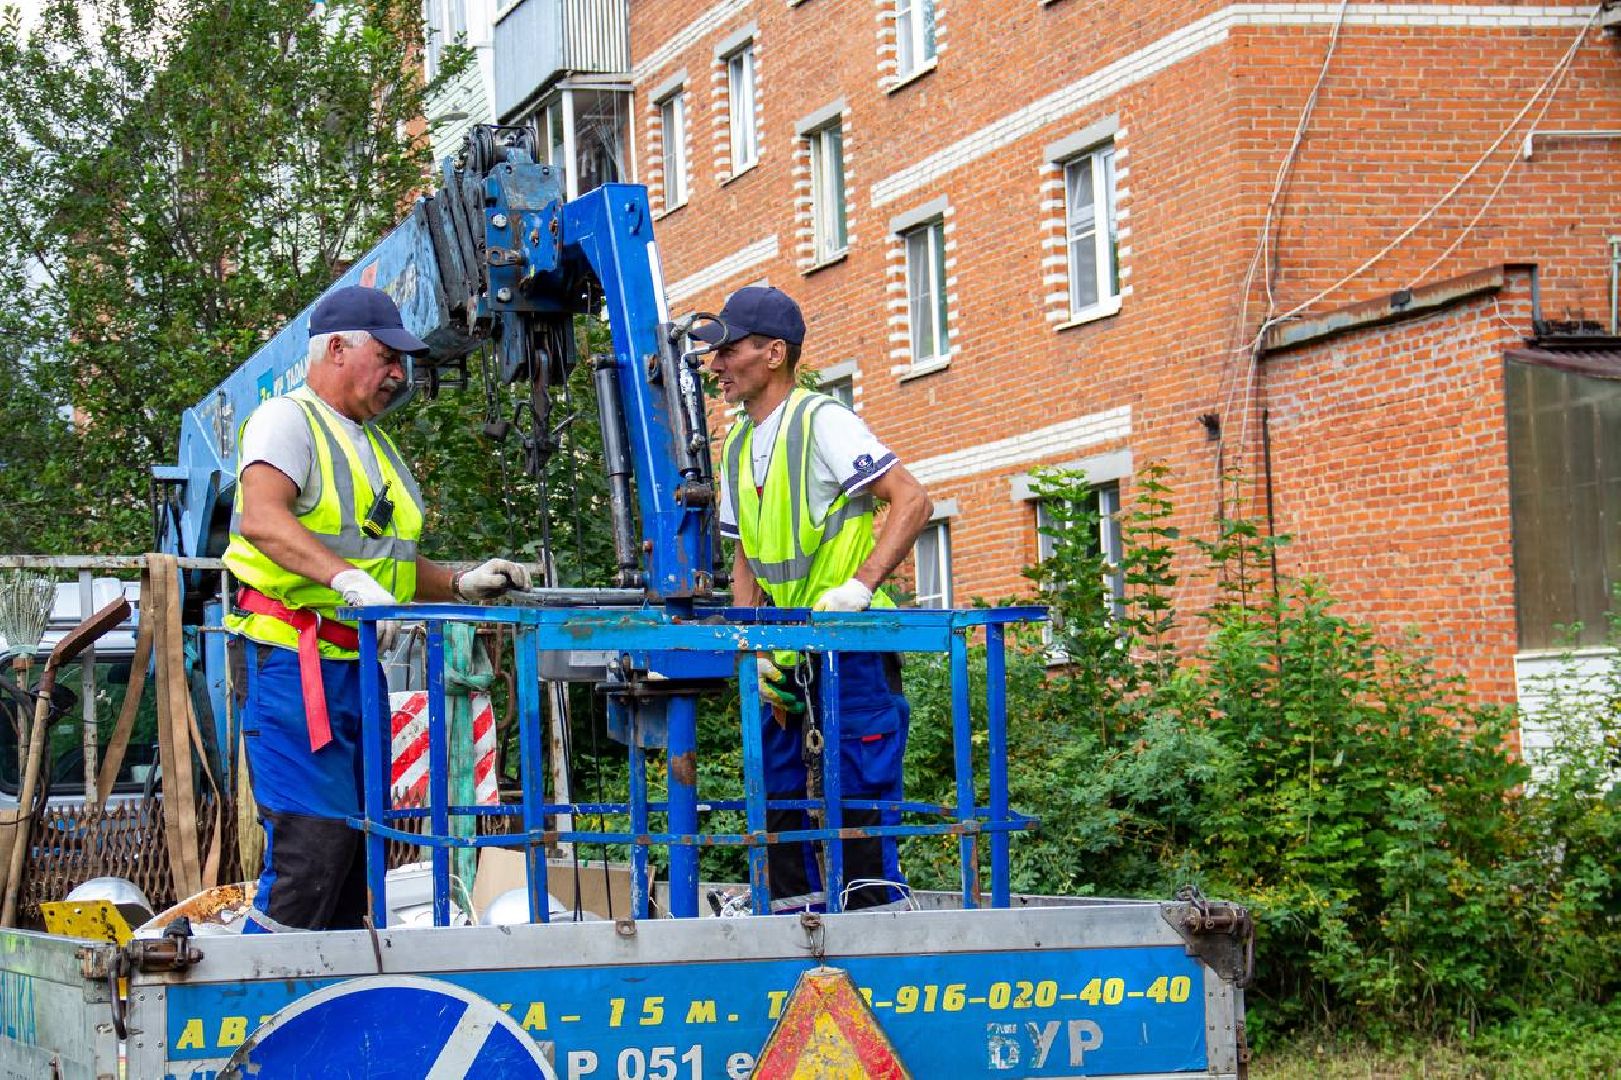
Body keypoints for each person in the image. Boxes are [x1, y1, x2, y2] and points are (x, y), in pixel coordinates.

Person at [223, 285, 531, 931]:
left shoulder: (369, 442)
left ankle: (335, 987)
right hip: (292, 664)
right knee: (312, 848)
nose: (399, 375)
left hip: (353, 667)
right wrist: (349, 582)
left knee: (351, 853)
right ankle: (253, 986)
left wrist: (459, 582)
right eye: (387, 357)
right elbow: (263, 520)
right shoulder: (287, 419)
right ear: (337, 348)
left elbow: (384, 564)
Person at [697, 286, 933, 913]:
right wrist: (749, 644)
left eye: (729, 351)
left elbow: (912, 500)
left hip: (848, 645)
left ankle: (876, 929)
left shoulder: (821, 420)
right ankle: (793, 923)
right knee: (778, 798)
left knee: (857, 798)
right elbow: (745, 555)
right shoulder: (737, 444)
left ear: (774, 353)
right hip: (783, 648)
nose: (716, 365)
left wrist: (860, 587)